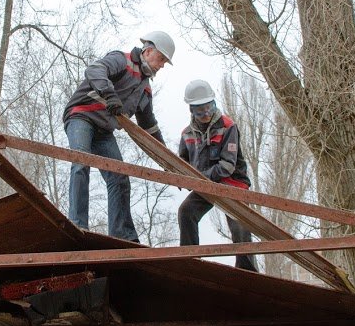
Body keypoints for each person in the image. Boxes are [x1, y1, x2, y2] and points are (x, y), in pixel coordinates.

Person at [62, 31, 175, 242]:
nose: (161, 66)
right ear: (148, 51)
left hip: (103, 131)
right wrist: (110, 93)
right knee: (81, 162)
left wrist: (168, 160)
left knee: (120, 178)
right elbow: (95, 69)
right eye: (161, 59)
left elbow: (148, 128)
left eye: (165, 63)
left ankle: (122, 235)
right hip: (82, 116)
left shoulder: (145, 90)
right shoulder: (121, 60)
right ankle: (78, 226)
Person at [177, 79, 258, 272]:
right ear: (192, 110)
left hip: (231, 184)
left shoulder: (228, 126)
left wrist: (199, 179)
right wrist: (178, 175)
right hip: (204, 185)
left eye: (209, 108)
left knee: (239, 227)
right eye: (200, 111)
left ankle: (247, 271)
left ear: (213, 103)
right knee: (186, 212)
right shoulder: (186, 134)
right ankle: (190, 261)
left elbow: (227, 166)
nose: (205, 114)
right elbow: (182, 161)